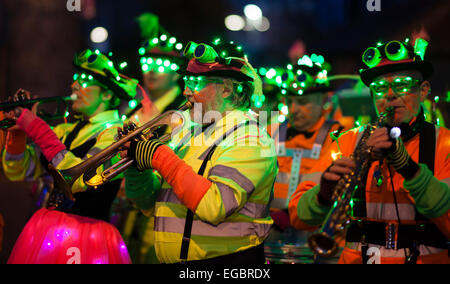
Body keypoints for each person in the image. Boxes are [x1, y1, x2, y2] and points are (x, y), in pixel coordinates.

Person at [289, 38, 450, 264]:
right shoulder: (347, 141)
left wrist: (408, 167)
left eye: (403, 84)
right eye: (380, 88)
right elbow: (298, 217)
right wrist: (324, 194)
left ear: (423, 90)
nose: (390, 95)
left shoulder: (445, 143)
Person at [119, 39, 278, 264]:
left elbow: (215, 206)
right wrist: (137, 169)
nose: (186, 91)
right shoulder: (189, 132)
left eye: (196, 82)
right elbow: (149, 204)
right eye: (187, 81)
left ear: (226, 88)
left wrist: (160, 157)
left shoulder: (251, 138)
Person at [2, 49, 138, 264]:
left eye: (84, 80)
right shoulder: (66, 130)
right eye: (76, 78)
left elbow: (77, 177)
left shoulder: (117, 133)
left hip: (88, 237)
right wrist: (17, 133)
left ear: (107, 94)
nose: (74, 85)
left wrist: (35, 126)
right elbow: (19, 171)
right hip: (47, 231)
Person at [117, 13, 187, 264]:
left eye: (163, 65)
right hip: (127, 216)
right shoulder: (132, 110)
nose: (153, 71)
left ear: (177, 73)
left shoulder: (185, 111)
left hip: (163, 212)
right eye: (147, 64)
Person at [261, 56, 345, 263]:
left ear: (325, 100)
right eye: (290, 101)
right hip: (269, 236)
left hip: (317, 236)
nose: (295, 108)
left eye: (303, 101)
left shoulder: (339, 136)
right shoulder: (269, 131)